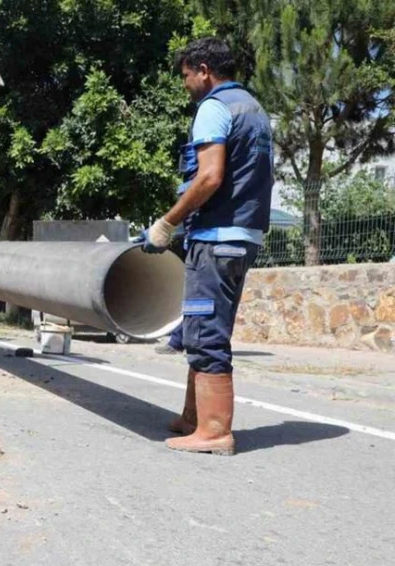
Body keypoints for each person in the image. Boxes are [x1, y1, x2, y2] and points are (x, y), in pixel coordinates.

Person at [141, 37, 273, 456]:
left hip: (217, 237)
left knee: (205, 332)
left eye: (185, 76)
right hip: (243, 236)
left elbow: (210, 176)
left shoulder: (214, 108)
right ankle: (193, 417)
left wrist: (167, 223)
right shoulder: (253, 108)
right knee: (203, 329)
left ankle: (214, 432)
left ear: (203, 70)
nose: (185, 85)